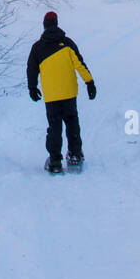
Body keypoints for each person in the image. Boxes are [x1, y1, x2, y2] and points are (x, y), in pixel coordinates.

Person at [27, 11, 96, 172]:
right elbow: (80, 64)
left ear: (44, 25)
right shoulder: (67, 43)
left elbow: (31, 69)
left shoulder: (37, 47)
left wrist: (32, 88)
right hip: (69, 92)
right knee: (72, 123)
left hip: (51, 95)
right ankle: (74, 156)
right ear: (56, 24)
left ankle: (55, 161)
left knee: (54, 127)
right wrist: (89, 82)